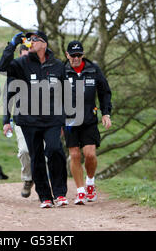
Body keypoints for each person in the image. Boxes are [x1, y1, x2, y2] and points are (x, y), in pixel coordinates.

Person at [0, 30, 68, 208]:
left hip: (52, 119)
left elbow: (66, 93)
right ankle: (44, 196)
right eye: (29, 40)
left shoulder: (58, 65)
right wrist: (11, 46)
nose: (31, 42)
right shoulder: (22, 63)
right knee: (35, 157)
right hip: (29, 120)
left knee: (54, 151)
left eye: (35, 39)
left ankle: (60, 193)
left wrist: (64, 119)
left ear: (44, 44)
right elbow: (2, 68)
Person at [63, 40, 112, 205]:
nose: (76, 58)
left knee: (90, 154)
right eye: (73, 55)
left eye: (79, 55)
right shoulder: (62, 71)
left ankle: (90, 182)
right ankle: (80, 191)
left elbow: (105, 92)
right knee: (75, 155)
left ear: (83, 55)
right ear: (67, 55)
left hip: (89, 118)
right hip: (69, 120)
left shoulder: (93, 69)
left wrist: (106, 113)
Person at [0, 42, 34, 198]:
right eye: (24, 56)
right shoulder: (14, 73)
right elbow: (7, 99)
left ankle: (44, 184)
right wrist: (6, 121)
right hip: (21, 119)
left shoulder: (41, 70)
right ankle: (28, 179)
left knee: (46, 153)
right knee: (25, 150)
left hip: (44, 120)